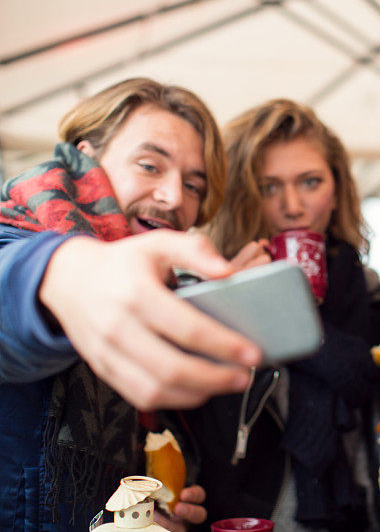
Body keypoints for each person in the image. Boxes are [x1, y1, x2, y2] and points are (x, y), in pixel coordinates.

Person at [0, 78, 263, 531]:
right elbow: (18, 286)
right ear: (87, 157)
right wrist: (67, 275)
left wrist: (150, 511)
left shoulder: (168, 303)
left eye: (194, 185)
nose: (175, 197)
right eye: (149, 165)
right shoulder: (18, 238)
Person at [184, 99, 380, 531]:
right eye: (269, 187)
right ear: (239, 195)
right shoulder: (200, 292)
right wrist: (239, 306)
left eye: (311, 181)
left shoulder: (365, 289)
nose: (294, 206)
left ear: (337, 189)